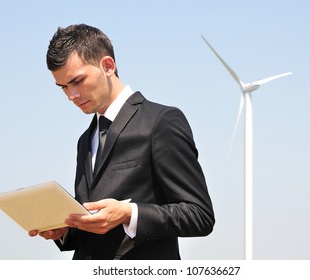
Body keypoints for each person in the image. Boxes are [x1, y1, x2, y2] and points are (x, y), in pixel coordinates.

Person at [29, 24, 215, 260]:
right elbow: (94, 229)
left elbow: (199, 215)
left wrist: (129, 213)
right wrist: (64, 228)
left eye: (77, 81)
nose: (71, 95)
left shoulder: (161, 122)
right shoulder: (84, 140)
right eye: (63, 87)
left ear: (107, 66)